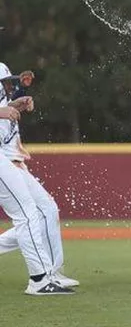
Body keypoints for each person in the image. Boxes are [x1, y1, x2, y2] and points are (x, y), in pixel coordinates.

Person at [0, 65, 78, 289]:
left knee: (45, 210)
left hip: (9, 161)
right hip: (6, 162)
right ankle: (40, 279)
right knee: (28, 215)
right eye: (4, 81)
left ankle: (49, 273)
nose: (8, 85)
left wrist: (13, 105)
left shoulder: (4, 100)